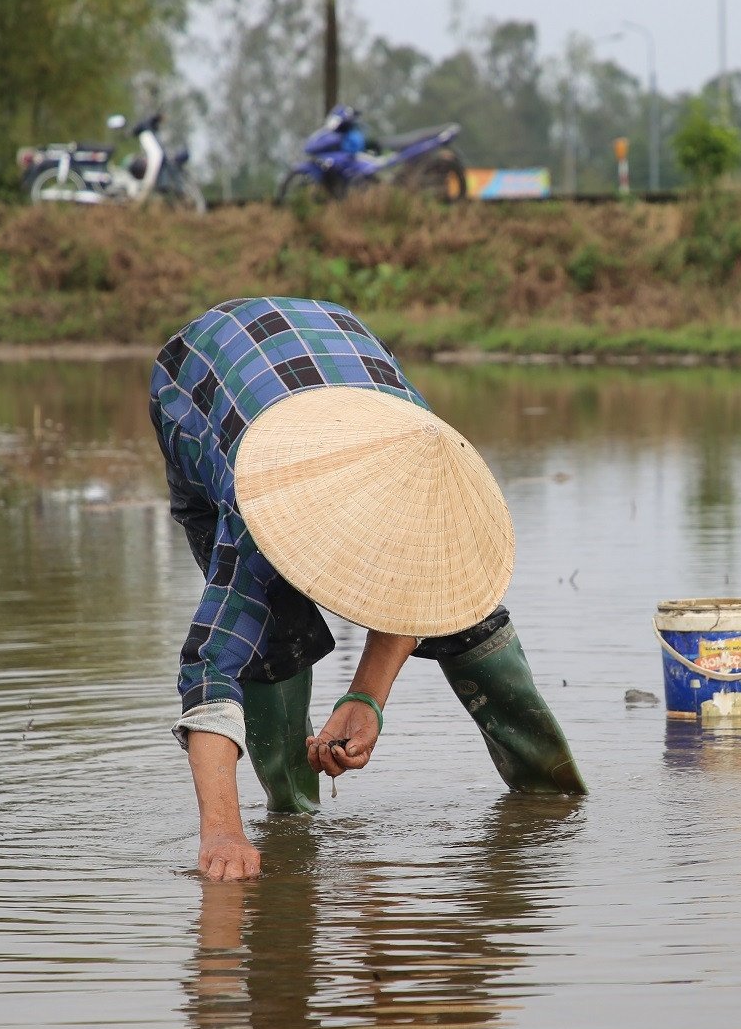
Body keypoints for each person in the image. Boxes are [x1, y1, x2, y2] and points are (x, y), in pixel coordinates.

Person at [150, 296, 586, 881]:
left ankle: (551, 794)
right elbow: (210, 668)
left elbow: (423, 586)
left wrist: (367, 697)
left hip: (335, 341)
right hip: (199, 377)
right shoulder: (257, 513)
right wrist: (222, 832)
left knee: (462, 613)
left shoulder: (429, 464)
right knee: (267, 627)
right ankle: (293, 817)